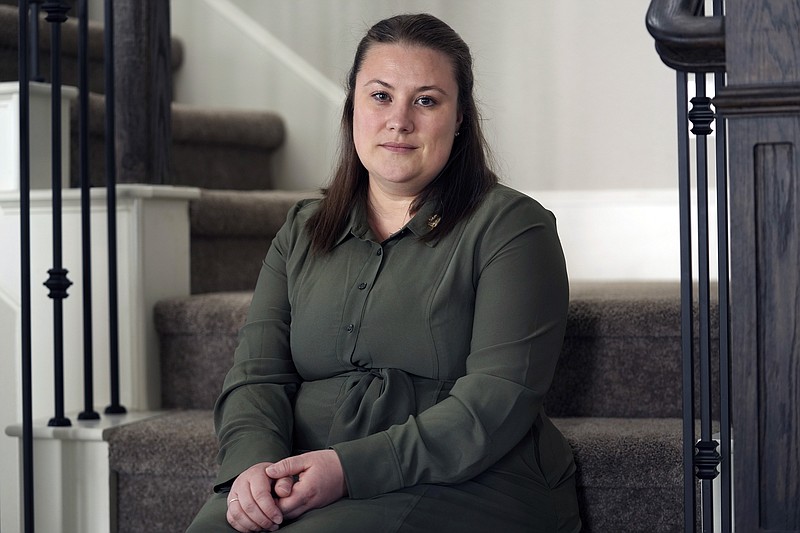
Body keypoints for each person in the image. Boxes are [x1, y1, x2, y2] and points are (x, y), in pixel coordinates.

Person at [187, 12, 580, 533]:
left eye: (426, 100)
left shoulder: (512, 227)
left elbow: (496, 400)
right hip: (306, 471)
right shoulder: (302, 230)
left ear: (460, 117)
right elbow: (257, 375)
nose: (399, 120)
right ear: (352, 106)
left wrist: (346, 470)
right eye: (380, 96)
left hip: (468, 478)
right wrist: (252, 468)